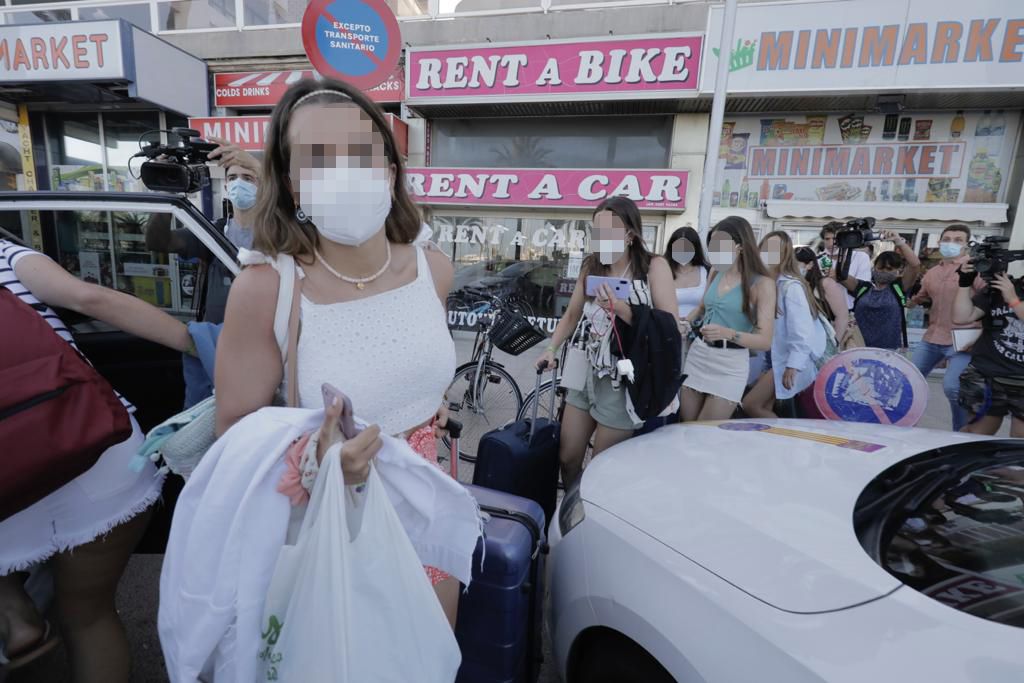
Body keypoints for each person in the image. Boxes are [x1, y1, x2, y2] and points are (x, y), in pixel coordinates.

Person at [212, 78, 464, 626]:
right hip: (333, 525)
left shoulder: (433, 269)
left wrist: (428, 404)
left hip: (429, 513)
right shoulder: (266, 289)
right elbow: (232, 436)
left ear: (390, 170)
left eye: (359, 152)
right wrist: (316, 462)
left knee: (431, 660)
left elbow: (416, 365)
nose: (343, 171)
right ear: (292, 183)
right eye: (317, 158)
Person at [0, 239, 191, 681]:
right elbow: (90, 298)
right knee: (89, 615)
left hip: (7, 484)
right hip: (96, 450)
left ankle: (14, 614)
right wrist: (202, 343)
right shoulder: (8, 255)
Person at [535, 196, 677, 488]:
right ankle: (572, 510)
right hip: (584, 368)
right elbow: (573, 313)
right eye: (597, 230)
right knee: (568, 456)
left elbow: (669, 324)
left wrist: (622, 309)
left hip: (622, 379)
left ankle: (590, 516)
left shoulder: (653, 267)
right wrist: (551, 349)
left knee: (603, 467)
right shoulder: (592, 265)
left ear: (630, 233)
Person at [145, 138, 261, 324]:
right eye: (232, 178)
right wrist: (166, 191)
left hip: (263, 333)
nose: (239, 184)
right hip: (216, 335)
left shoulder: (278, 231)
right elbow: (158, 242)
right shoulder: (212, 232)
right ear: (226, 186)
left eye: (248, 178)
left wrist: (259, 166)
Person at [680, 217, 775, 421]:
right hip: (699, 354)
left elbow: (765, 341)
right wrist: (686, 322)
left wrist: (729, 334)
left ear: (740, 246)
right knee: (686, 427)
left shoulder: (762, 284)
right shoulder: (715, 272)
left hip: (730, 363)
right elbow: (702, 307)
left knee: (705, 434)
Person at [908, 225, 983, 431]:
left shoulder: (974, 268)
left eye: (958, 240)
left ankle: (960, 434)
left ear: (967, 245)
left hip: (963, 340)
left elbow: (989, 301)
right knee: (907, 381)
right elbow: (920, 297)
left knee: (953, 387)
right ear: (939, 242)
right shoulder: (932, 272)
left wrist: (981, 334)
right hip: (932, 337)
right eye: (947, 239)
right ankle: (902, 425)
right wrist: (904, 302)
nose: (951, 243)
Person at [743, 232, 825, 418]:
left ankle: (785, 441)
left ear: (784, 254)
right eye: (765, 248)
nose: (768, 253)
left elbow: (802, 331)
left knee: (751, 405)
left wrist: (793, 365)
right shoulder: (762, 283)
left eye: (774, 249)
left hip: (787, 360)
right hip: (770, 359)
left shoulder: (791, 286)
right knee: (765, 406)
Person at [952, 261, 1024, 438]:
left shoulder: (1009, 292)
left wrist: (1013, 301)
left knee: (1020, 443)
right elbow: (962, 318)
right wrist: (964, 284)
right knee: (976, 435)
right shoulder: (1003, 287)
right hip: (987, 375)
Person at [839, 231, 920, 350]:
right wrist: (848, 246)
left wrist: (898, 242)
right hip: (858, 346)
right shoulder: (863, 287)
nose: (884, 271)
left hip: (888, 349)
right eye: (880, 267)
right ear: (874, 267)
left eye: (889, 268)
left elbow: (915, 265)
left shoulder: (899, 287)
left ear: (899, 270)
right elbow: (841, 275)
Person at [795, 246, 851, 347]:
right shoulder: (794, 286)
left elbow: (842, 316)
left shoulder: (826, 284)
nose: (791, 269)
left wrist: (833, 344)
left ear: (810, 264)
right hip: (803, 343)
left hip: (826, 342)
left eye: (795, 265)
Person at [819, 222, 871, 309]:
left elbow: (863, 289)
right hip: (826, 312)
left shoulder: (861, 257)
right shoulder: (819, 259)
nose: (831, 243)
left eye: (835, 239)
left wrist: (839, 275)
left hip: (853, 312)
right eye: (827, 239)